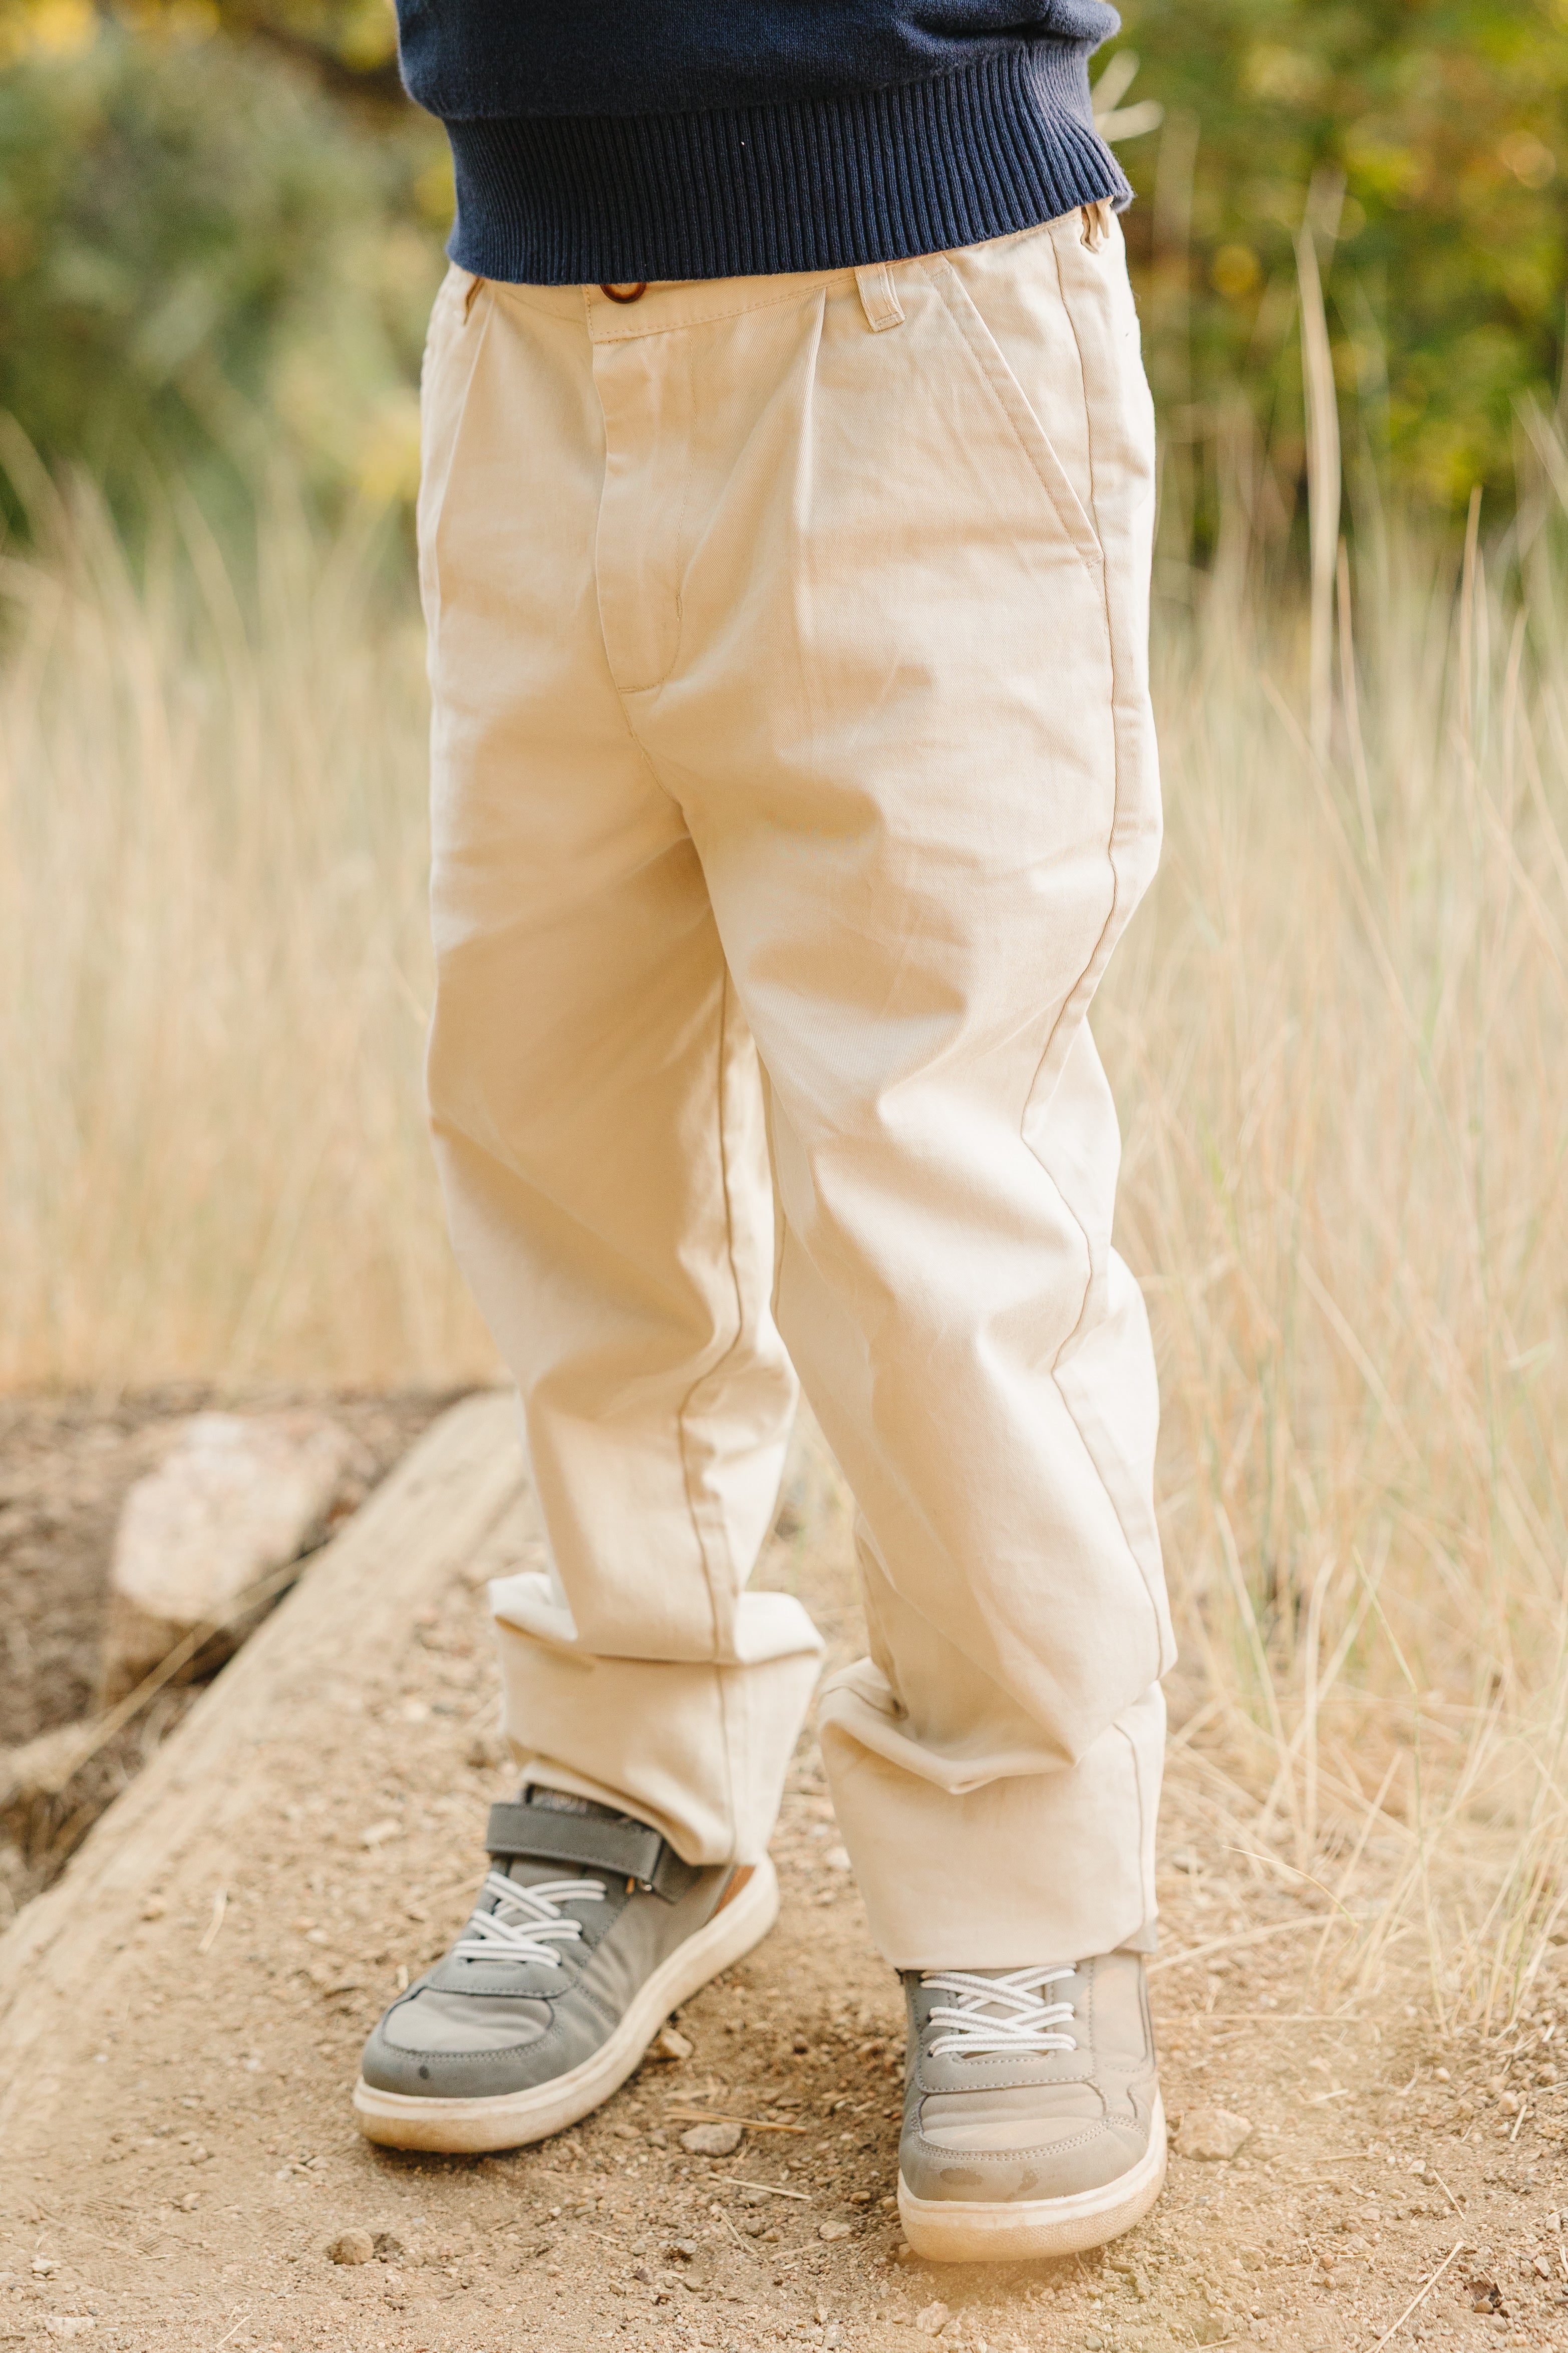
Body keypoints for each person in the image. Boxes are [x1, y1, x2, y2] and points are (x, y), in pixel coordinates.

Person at [354, 0, 1173, 2264]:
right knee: (556, 1102)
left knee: (932, 1180)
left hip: (920, 307)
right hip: (527, 312)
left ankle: (1027, 1880)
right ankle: (644, 1782)